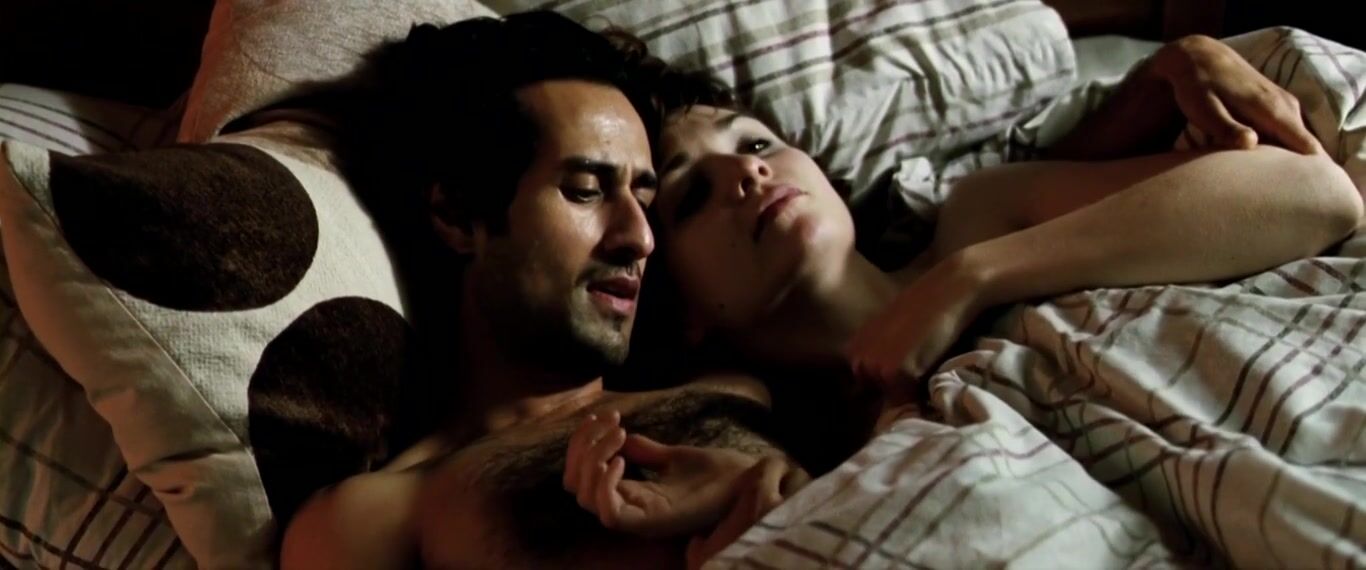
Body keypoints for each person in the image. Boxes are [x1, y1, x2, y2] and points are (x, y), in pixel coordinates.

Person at [564, 33, 1364, 539]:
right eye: (694, 194)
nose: (748, 172)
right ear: (685, 312)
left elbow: (1315, 196)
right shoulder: (816, 453)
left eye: (757, 142)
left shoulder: (978, 219)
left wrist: (973, 278)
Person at [278, 12, 811, 570]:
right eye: (585, 191)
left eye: (645, 201)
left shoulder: (742, 388)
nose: (641, 238)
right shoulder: (379, 519)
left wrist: (783, 496)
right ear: (456, 215)